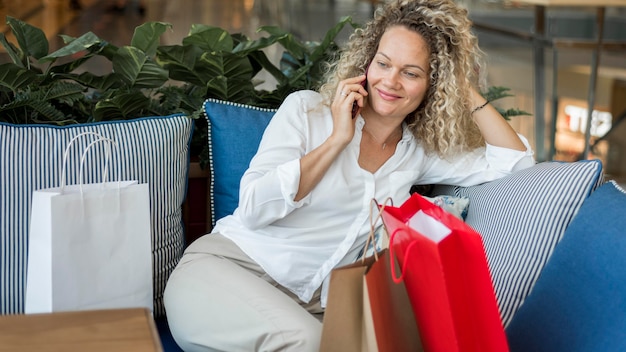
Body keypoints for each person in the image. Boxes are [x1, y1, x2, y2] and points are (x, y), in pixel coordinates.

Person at [164, 0, 535, 350]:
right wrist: (337, 140)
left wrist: (462, 86)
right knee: (310, 342)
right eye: (384, 64)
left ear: (432, 86)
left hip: (312, 307)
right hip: (225, 272)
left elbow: (515, 162)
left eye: (412, 73)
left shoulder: (418, 153)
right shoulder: (307, 111)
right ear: (366, 63)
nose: (391, 81)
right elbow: (255, 209)